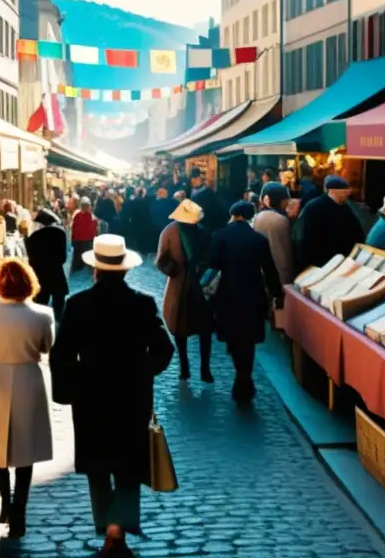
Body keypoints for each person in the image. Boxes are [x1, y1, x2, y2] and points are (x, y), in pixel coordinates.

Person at [50, 235, 174, 555]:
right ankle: (116, 532)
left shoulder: (77, 305)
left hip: (90, 397)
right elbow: (164, 348)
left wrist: (69, 389)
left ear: (95, 270)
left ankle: (108, 528)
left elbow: (60, 354)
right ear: (124, 270)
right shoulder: (144, 303)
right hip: (132, 397)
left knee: (97, 466)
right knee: (129, 467)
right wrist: (142, 372)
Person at [0, 258, 54, 539]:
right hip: (28, 379)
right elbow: (47, 347)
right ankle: (20, 511)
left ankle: (6, 499)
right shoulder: (43, 314)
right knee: (26, 451)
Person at [207, 202, 282, 403]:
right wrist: (277, 296)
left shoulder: (220, 235)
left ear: (233, 215)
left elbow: (212, 265)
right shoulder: (259, 239)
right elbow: (270, 270)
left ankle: (241, 375)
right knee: (248, 340)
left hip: (228, 294)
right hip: (253, 294)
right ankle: (244, 377)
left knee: (234, 336)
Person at [157, 199, 212, 382]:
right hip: (179, 287)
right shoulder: (170, 231)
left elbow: (209, 255)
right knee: (180, 329)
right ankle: (184, 367)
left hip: (200, 287)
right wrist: (173, 269)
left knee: (205, 329)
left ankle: (205, 369)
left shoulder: (202, 231)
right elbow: (161, 259)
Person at [293, 176, 366, 271]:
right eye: (345, 191)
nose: (348, 194)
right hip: (319, 266)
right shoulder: (313, 208)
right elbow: (302, 239)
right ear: (334, 191)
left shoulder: (346, 208)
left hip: (341, 265)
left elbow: (358, 235)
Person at [24, 208, 69, 322]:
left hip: (40, 278)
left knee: (39, 311)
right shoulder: (61, 234)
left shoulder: (34, 237)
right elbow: (63, 258)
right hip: (57, 275)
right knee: (59, 310)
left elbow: (31, 260)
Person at [253, 183, 294, 286]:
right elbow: (285, 252)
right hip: (279, 271)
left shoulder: (258, 217)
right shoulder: (281, 220)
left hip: (261, 271)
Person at [71, 197, 98, 273]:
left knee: (80, 255)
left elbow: (74, 228)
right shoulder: (90, 216)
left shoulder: (80, 216)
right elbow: (94, 230)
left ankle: (80, 266)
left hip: (82, 240)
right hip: (84, 240)